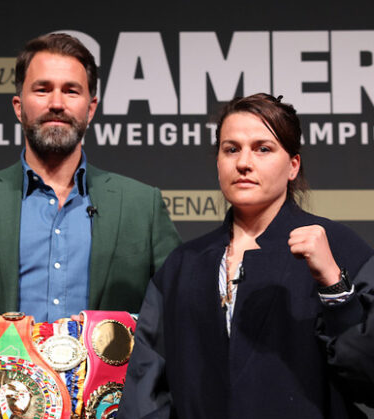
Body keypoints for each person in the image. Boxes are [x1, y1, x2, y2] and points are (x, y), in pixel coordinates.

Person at [0, 33, 180, 360]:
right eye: (42, 89)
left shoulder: (142, 205)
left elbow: (181, 309)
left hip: (109, 404)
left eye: (71, 90)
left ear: (91, 108)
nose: (57, 102)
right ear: (18, 105)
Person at [118, 93, 374, 419]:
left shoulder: (341, 248)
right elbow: (146, 394)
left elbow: (368, 380)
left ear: (293, 165)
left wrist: (334, 286)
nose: (243, 163)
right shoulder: (183, 266)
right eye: (231, 149)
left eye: (263, 148)